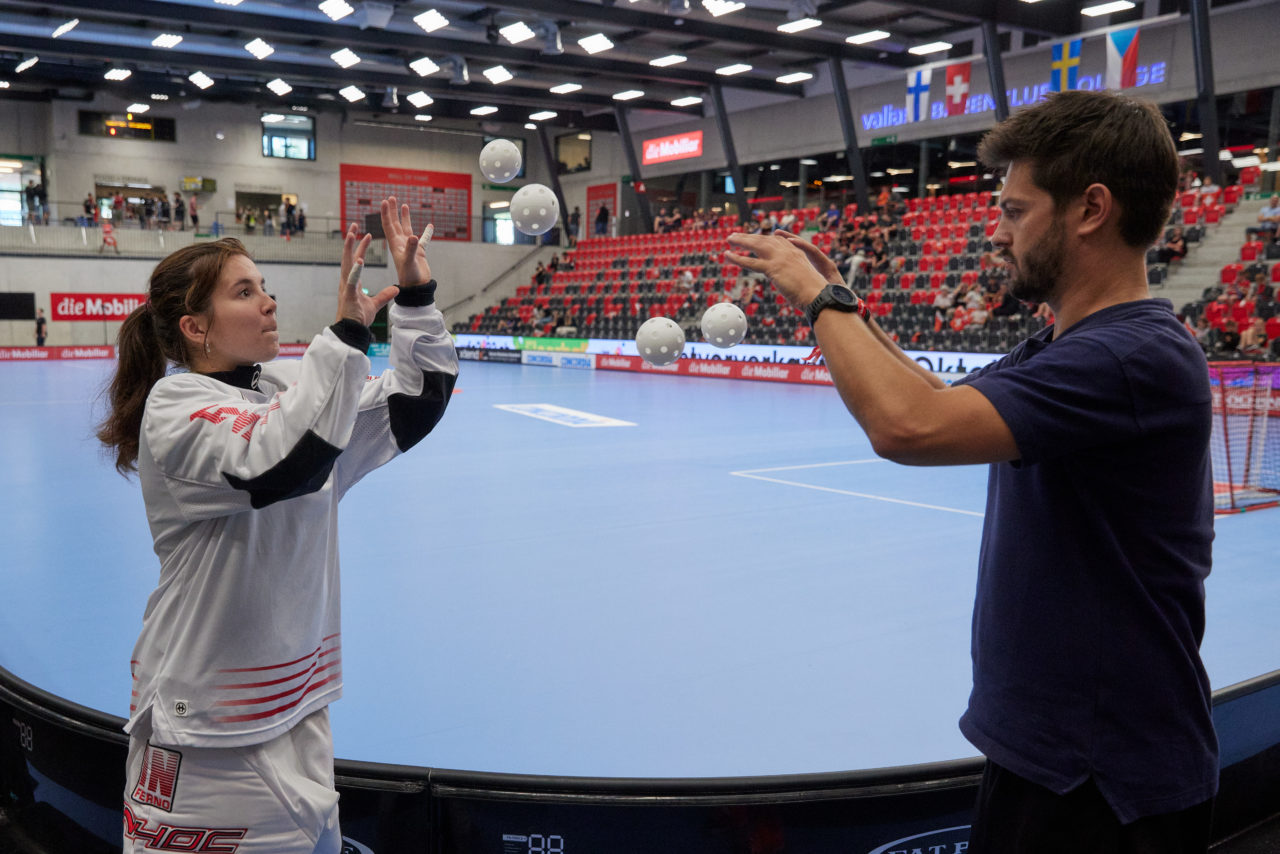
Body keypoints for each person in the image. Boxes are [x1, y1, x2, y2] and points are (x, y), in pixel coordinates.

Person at [727, 90, 1216, 853]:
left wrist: (815, 297)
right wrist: (846, 303)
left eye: (1015, 212)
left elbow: (907, 427)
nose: (996, 233)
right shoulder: (1070, 346)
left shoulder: (1131, 356)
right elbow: (937, 398)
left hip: (1101, 780)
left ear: (1091, 209)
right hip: (1052, 754)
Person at [97, 197, 458, 853]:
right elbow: (281, 460)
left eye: (264, 286)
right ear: (196, 327)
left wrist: (416, 294)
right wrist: (344, 337)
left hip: (299, 715)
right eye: (244, 291)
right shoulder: (176, 406)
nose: (268, 300)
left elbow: (415, 402)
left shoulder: (288, 390)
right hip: (201, 734)